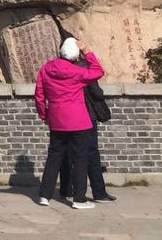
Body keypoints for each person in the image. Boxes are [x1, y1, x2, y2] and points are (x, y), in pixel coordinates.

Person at [34, 37, 105, 209]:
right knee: (80, 159)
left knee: (54, 157)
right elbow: (98, 71)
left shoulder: (45, 69)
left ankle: (44, 195)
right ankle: (79, 198)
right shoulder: (76, 72)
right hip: (78, 120)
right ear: (75, 56)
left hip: (57, 119)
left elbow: (39, 95)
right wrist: (87, 51)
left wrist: (44, 115)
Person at [59, 43, 115, 204]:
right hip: (85, 116)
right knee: (91, 153)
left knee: (66, 153)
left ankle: (65, 190)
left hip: (63, 116)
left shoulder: (55, 68)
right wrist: (88, 51)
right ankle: (99, 192)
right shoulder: (83, 68)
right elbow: (96, 91)